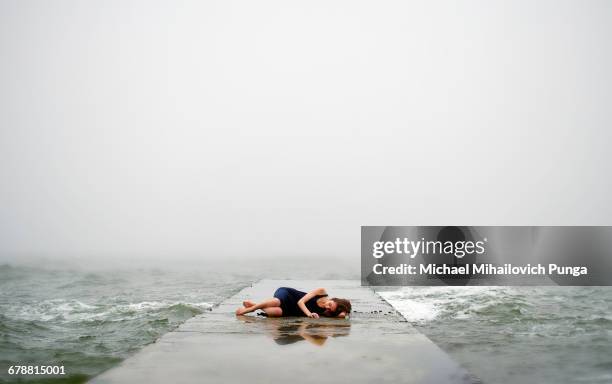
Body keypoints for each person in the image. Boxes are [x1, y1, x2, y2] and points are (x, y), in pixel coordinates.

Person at [235, 287, 351, 318]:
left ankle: (254, 304)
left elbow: (343, 316)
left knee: (276, 313)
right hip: (289, 295)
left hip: (292, 310)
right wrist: (309, 314)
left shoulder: (328, 312)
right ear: (333, 299)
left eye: (330, 308)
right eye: (330, 304)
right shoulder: (322, 292)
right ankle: (250, 309)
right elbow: (301, 302)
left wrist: (343, 312)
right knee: (276, 301)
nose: (327, 306)